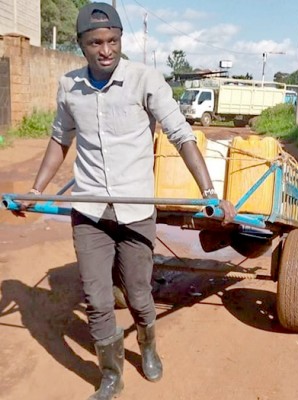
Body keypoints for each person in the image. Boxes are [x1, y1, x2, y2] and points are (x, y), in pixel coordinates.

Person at [13, 3, 236, 400]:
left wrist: (209, 194)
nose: (106, 50)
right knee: (97, 299)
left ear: (121, 40)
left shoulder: (144, 80)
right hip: (91, 210)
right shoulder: (69, 87)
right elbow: (59, 140)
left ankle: (148, 344)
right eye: (95, 42)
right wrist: (35, 189)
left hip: (136, 210)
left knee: (137, 292)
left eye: (113, 40)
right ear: (80, 45)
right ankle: (110, 374)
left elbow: (181, 135)